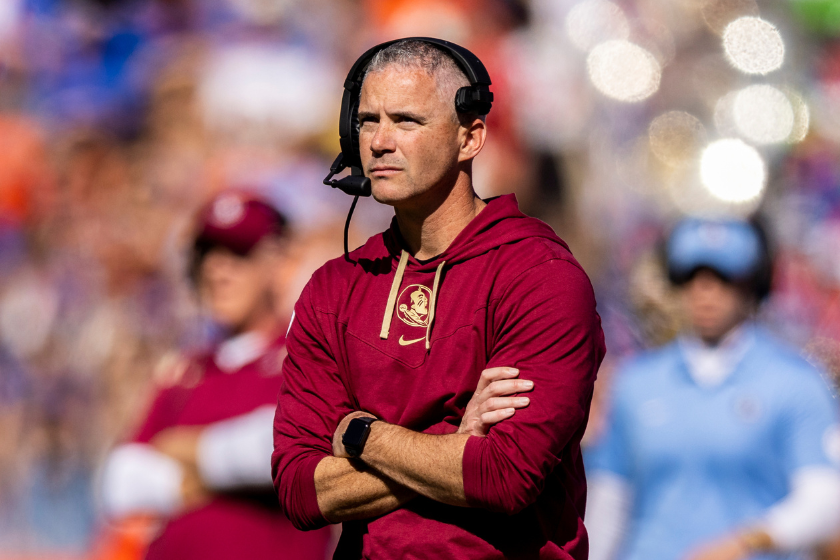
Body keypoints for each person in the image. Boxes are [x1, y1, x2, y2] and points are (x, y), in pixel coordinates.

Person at [272, 39, 605, 559]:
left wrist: (361, 435)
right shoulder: (331, 288)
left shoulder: (540, 276)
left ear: (469, 137)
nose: (379, 141)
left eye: (406, 120)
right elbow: (300, 491)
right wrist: (454, 447)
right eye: (366, 121)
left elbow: (502, 477)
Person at [586, 217, 840, 560]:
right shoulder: (636, 384)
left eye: (724, 278)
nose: (706, 291)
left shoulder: (795, 382)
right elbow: (609, 500)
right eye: (692, 277)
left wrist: (748, 541)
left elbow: (826, 497)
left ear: (751, 285)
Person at [100, 192, 331, 560]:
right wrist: (210, 473)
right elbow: (121, 482)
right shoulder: (185, 371)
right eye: (208, 254)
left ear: (279, 263)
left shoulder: (309, 356)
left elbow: (285, 450)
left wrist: (187, 448)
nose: (216, 270)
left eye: (238, 255)